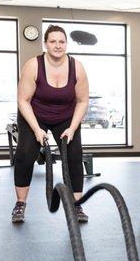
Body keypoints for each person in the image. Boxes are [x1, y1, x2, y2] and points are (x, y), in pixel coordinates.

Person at [12, 25, 89, 223]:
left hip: (65, 116)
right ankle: (20, 204)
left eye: (61, 41)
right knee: (25, 155)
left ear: (66, 44)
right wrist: (37, 130)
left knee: (73, 156)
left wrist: (72, 128)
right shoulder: (33, 65)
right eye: (53, 41)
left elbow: (82, 100)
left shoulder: (77, 67)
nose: (57, 45)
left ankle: (77, 205)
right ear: (45, 44)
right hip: (35, 114)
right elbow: (23, 100)